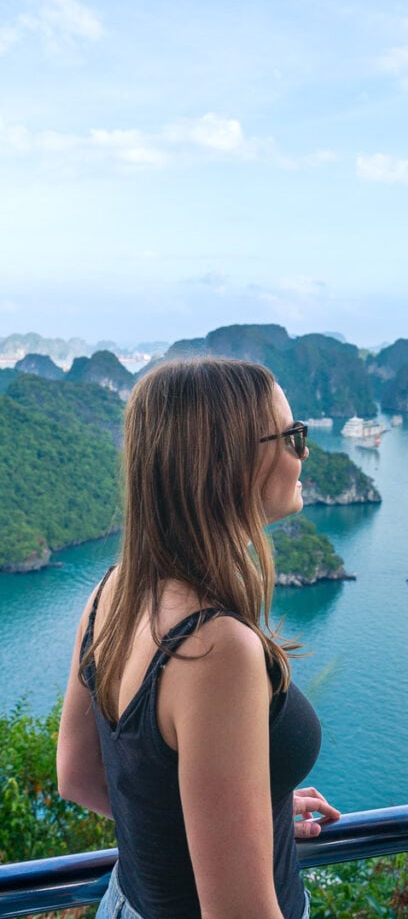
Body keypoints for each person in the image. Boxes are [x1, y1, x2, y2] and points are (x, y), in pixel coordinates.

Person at [57, 358, 340, 919]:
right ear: (227, 463)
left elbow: (79, 776)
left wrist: (249, 825)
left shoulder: (112, 595)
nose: (304, 452)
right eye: (291, 437)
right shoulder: (216, 649)